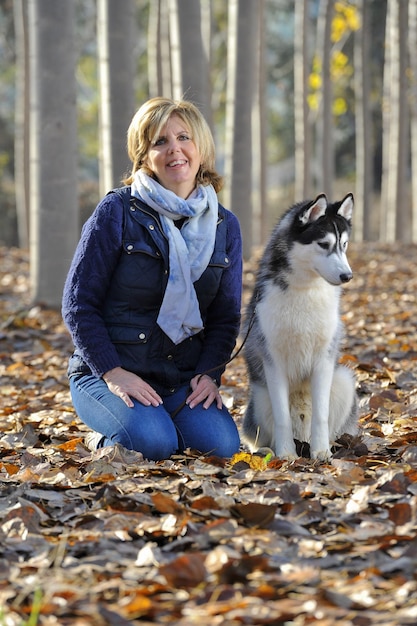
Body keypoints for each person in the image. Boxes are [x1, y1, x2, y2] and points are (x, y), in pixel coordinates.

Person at [62, 97, 243, 461]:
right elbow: (78, 303)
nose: (174, 149)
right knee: (154, 444)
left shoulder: (225, 225)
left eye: (183, 138)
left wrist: (209, 375)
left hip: (178, 378)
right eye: (160, 142)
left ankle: (153, 424)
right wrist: (112, 372)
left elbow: (224, 317)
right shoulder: (116, 211)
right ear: (144, 156)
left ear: (201, 148)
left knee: (222, 448)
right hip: (108, 373)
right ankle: (109, 438)